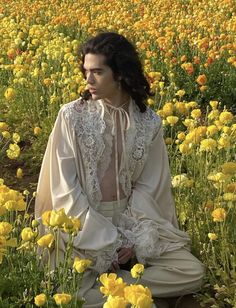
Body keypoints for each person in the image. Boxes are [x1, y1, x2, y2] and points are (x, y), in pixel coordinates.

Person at [35, 32, 204, 307]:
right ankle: (135, 293)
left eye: (97, 72)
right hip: (81, 223)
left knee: (191, 272)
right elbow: (64, 190)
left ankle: (117, 290)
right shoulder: (71, 116)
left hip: (131, 220)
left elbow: (150, 187)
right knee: (64, 291)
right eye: (86, 71)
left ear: (121, 73)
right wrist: (106, 241)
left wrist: (133, 238)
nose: (88, 80)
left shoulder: (149, 123)